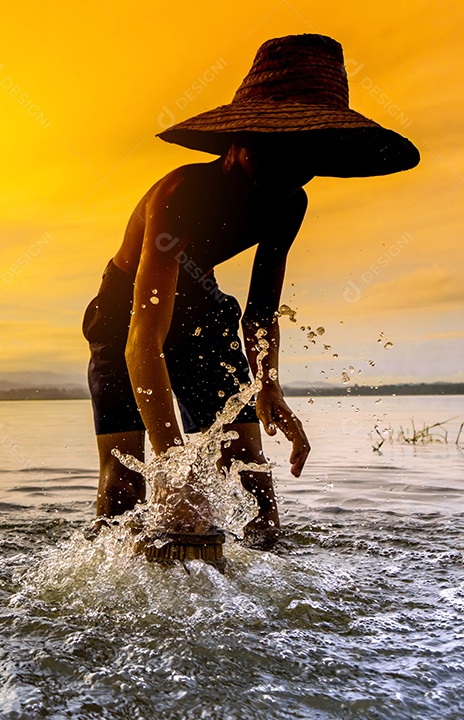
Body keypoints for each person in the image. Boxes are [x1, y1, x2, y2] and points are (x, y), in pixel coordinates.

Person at [83, 34, 419, 547]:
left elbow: (260, 313)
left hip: (204, 314)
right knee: (126, 483)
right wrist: (176, 470)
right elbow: (141, 341)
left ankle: (260, 593)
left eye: (308, 154)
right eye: (278, 149)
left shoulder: (290, 202)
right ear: (240, 139)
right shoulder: (180, 194)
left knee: (254, 480)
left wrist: (269, 387)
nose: (291, 169)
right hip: (124, 315)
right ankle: (108, 581)